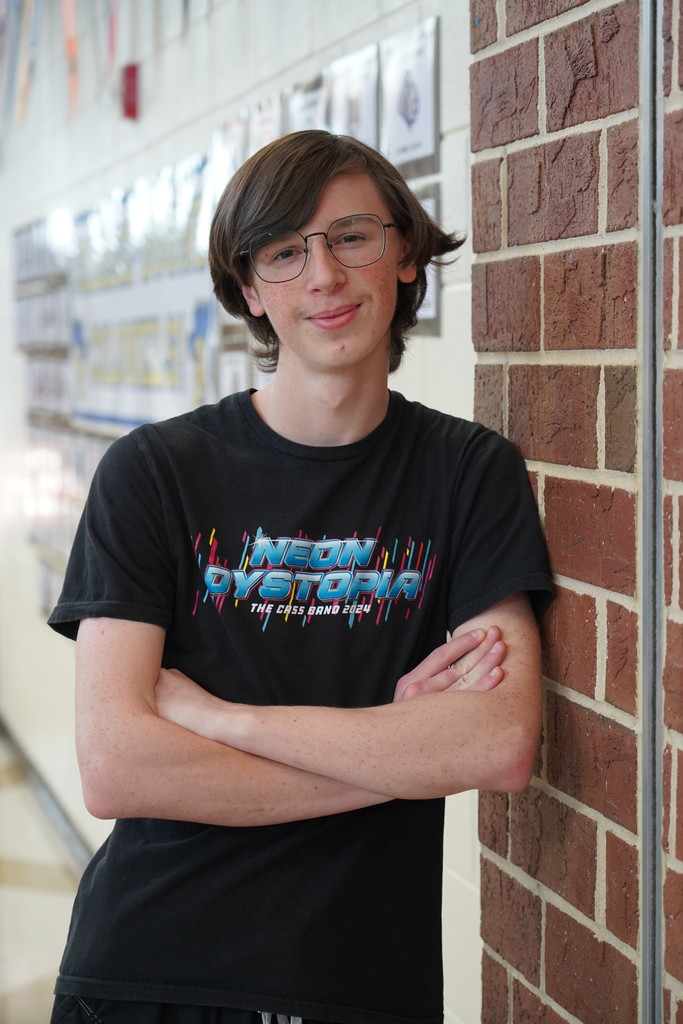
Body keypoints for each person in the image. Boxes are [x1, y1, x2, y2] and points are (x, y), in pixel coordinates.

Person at [48, 130, 554, 1024]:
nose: (322, 275)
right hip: (150, 973)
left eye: (351, 236)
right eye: (285, 252)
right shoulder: (155, 472)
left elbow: (495, 744)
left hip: (362, 982)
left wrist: (221, 719)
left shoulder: (468, 471)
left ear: (402, 254)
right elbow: (118, 768)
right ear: (250, 290)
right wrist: (397, 757)